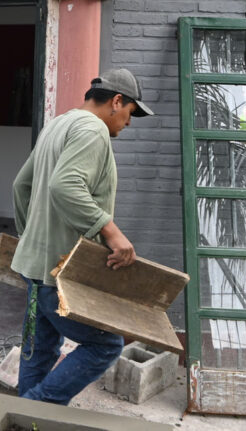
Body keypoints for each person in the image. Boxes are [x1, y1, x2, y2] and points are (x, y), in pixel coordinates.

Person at [10, 68, 154, 405]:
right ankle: (35, 408)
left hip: (35, 267)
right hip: (61, 272)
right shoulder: (92, 130)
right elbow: (66, 186)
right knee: (104, 345)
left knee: (39, 349)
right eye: (130, 114)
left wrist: (29, 238)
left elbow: (21, 186)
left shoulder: (59, 123)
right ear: (117, 101)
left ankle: (22, 415)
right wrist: (112, 232)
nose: (128, 124)